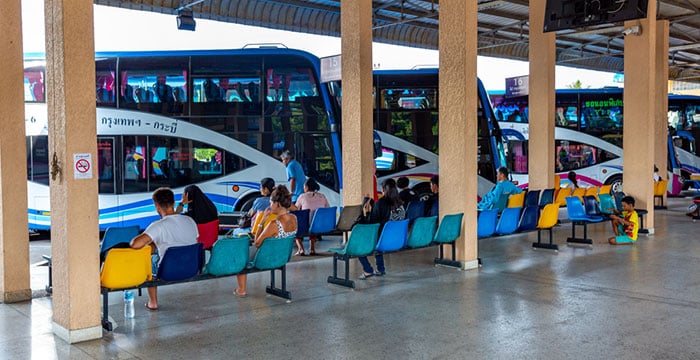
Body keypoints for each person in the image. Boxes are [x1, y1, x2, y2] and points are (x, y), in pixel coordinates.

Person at [130, 187, 199, 311]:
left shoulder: (158, 226)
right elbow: (192, 242)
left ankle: (153, 302)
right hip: (192, 268)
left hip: (168, 271)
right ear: (173, 203)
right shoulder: (190, 221)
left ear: (157, 205)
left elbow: (135, 244)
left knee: (148, 262)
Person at [234, 185, 297, 297]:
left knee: (240, 254)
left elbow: (257, 242)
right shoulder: (294, 219)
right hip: (282, 257)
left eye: (271, 202)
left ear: (277, 203)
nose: (270, 205)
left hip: (266, 258)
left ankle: (241, 289)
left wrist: (261, 222)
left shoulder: (274, 224)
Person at [358, 178, 406, 280]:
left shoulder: (380, 203)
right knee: (380, 235)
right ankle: (380, 269)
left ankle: (368, 270)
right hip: (398, 239)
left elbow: (372, 224)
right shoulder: (401, 203)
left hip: (383, 241)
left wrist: (366, 212)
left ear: (383, 190)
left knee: (358, 243)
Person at [291, 178, 329, 256]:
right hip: (320, 225)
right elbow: (327, 208)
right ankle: (312, 248)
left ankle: (301, 249)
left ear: (307, 187)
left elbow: (295, 209)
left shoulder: (302, 196)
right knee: (314, 221)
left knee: (296, 223)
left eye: (304, 186)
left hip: (306, 225)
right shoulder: (322, 196)